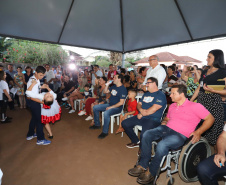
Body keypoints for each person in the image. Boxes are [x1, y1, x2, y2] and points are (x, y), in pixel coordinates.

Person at [128, 84, 215, 185]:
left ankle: (151, 172)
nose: (170, 95)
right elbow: (167, 118)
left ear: (182, 94)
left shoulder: (195, 106)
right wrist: (164, 122)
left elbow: (210, 119)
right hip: (166, 128)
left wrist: (199, 132)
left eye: (173, 93)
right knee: (147, 134)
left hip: (180, 134)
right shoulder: (173, 106)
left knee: (162, 144)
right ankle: (142, 165)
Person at [190, 49, 226, 146]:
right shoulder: (205, 71)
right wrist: (191, 100)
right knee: (199, 127)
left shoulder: (223, 72)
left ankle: (214, 155)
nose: (207, 59)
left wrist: (213, 91)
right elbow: (199, 87)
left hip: (213, 104)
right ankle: (200, 150)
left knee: (213, 132)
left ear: (217, 58)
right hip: (201, 102)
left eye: (209, 57)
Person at [122, 77, 167, 148]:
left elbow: (154, 109)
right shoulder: (146, 94)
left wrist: (142, 113)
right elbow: (139, 104)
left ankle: (143, 148)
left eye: (148, 83)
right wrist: (141, 111)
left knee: (144, 133)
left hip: (153, 119)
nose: (146, 85)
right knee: (125, 123)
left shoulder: (160, 95)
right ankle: (136, 141)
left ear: (154, 84)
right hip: (142, 116)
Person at [89, 74, 127, 139]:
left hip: (117, 108)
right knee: (95, 107)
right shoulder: (113, 86)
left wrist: (111, 107)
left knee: (106, 112)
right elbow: (105, 91)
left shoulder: (123, 89)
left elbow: (121, 103)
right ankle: (97, 124)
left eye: (115, 77)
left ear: (119, 79)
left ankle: (105, 132)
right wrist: (107, 85)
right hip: (110, 104)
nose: (113, 78)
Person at [26, 66, 51, 145]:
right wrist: (42, 102)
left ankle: (30, 134)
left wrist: (41, 87)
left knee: (34, 118)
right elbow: (31, 97)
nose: (42, 77)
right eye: (41, 75)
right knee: (40, 120)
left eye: (43, 75)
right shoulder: (33, 81)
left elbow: (35, 93)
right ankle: (40, 139)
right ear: (36, 73)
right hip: (33, 102)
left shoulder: (36, 79)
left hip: (33, 102)